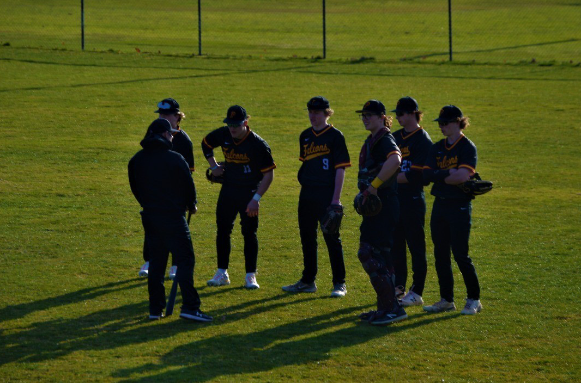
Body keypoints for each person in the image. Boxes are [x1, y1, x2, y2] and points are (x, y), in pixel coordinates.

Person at [128, 118, 212, 322]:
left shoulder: (137, 160)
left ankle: (155, 309)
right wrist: (191, 205)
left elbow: (135, 189)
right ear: (166, 134)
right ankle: (190, 307)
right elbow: (188, 186)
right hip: (173, 217)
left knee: (156, 263)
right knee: (185, 259)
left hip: (149, 215)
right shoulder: (175, 158)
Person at [281, 96, 351, 297]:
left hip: (327, 194)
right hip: (307, 194)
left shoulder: (335, 136)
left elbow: (340, 170)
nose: (313, 116)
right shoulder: (305, 136)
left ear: (326, 113)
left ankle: (340, 283)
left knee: (332, 238)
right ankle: (308, 280)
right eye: (310, 112)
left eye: (317, 113)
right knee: (307, 238)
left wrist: (336, 200)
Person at [202, 105, 276, 289]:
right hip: (228, 190)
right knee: (223, 231)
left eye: (236, 124)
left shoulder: (258, 144)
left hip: (249, 193)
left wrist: (256, 199)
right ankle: (221, 273)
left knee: (249, 233)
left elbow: (269, 175)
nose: (232, 128)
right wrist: (213, 166)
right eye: (229, 124)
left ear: (245, 122)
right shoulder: (224, 134)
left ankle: (250, 275)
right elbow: (206, 143)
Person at [422, 105, 483, 315]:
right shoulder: (437, 147)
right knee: (440, 254)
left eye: (445, 123)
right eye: (439, 123)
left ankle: (474, 299)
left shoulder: (467, 147)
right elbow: (427, 175)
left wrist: (441, 175)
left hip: (459, 206)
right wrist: (448, 174)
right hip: (440, 204)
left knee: (460, 254)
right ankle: (446, 299)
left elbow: (463, 176)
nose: (441, 127)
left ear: (458, 122)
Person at [354, 100, 407, 325]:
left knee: (370, 253)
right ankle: (386, 308)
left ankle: (393, 308)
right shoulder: (373, 140)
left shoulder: (385, 139)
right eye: (363, 114)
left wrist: (374, 185)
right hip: (377, 206)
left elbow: (396, 159)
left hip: (384, 204)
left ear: (382, 117)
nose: (365, 118)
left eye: (370, 115)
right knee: (381, 256)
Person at [138, 98, 195, 281]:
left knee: (177, 231)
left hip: (175, 195)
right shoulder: (153, 131)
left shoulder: (184, 141)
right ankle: (149, 260)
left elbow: (188, 174)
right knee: (152, 227)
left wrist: (188, 199)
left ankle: (175, 264)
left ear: (177, 116)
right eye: (161, 114)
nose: (163, 117)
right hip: (155, 191)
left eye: (167, 114)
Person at [390, 97, 433, 307]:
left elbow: (416, 177)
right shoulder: (395, 137)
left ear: (412, 113)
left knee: (416, 246)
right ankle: (399, 286)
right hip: (396, 199)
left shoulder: (423, 140)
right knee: (396, 244)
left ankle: (417, 291)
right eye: (397, 113)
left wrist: (386, 179)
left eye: (401, 113)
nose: (398, 117)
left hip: (413, 200)